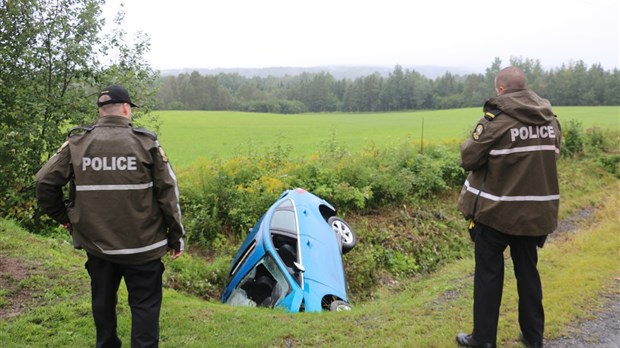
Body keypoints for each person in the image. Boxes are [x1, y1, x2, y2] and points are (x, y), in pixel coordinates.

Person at [36, 84, 186, 348]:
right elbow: (168, 193)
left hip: (98, 247)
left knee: (103, 302)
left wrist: (65, 217)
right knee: (145, 307)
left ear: (100, 111)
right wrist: (176, 238)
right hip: (145, 248)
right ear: (127, 108)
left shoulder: (77, 143)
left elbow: (44, 181)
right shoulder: (146, 142)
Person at [455, 67, 562, 348]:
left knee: (489, 275)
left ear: (501, 89)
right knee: (528, 273)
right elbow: (553, 154)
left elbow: (468, 157)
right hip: (535, 214)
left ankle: (483, 339)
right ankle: (533, 336)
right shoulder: (550, 120)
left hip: (495, 213)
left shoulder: (496, 120)